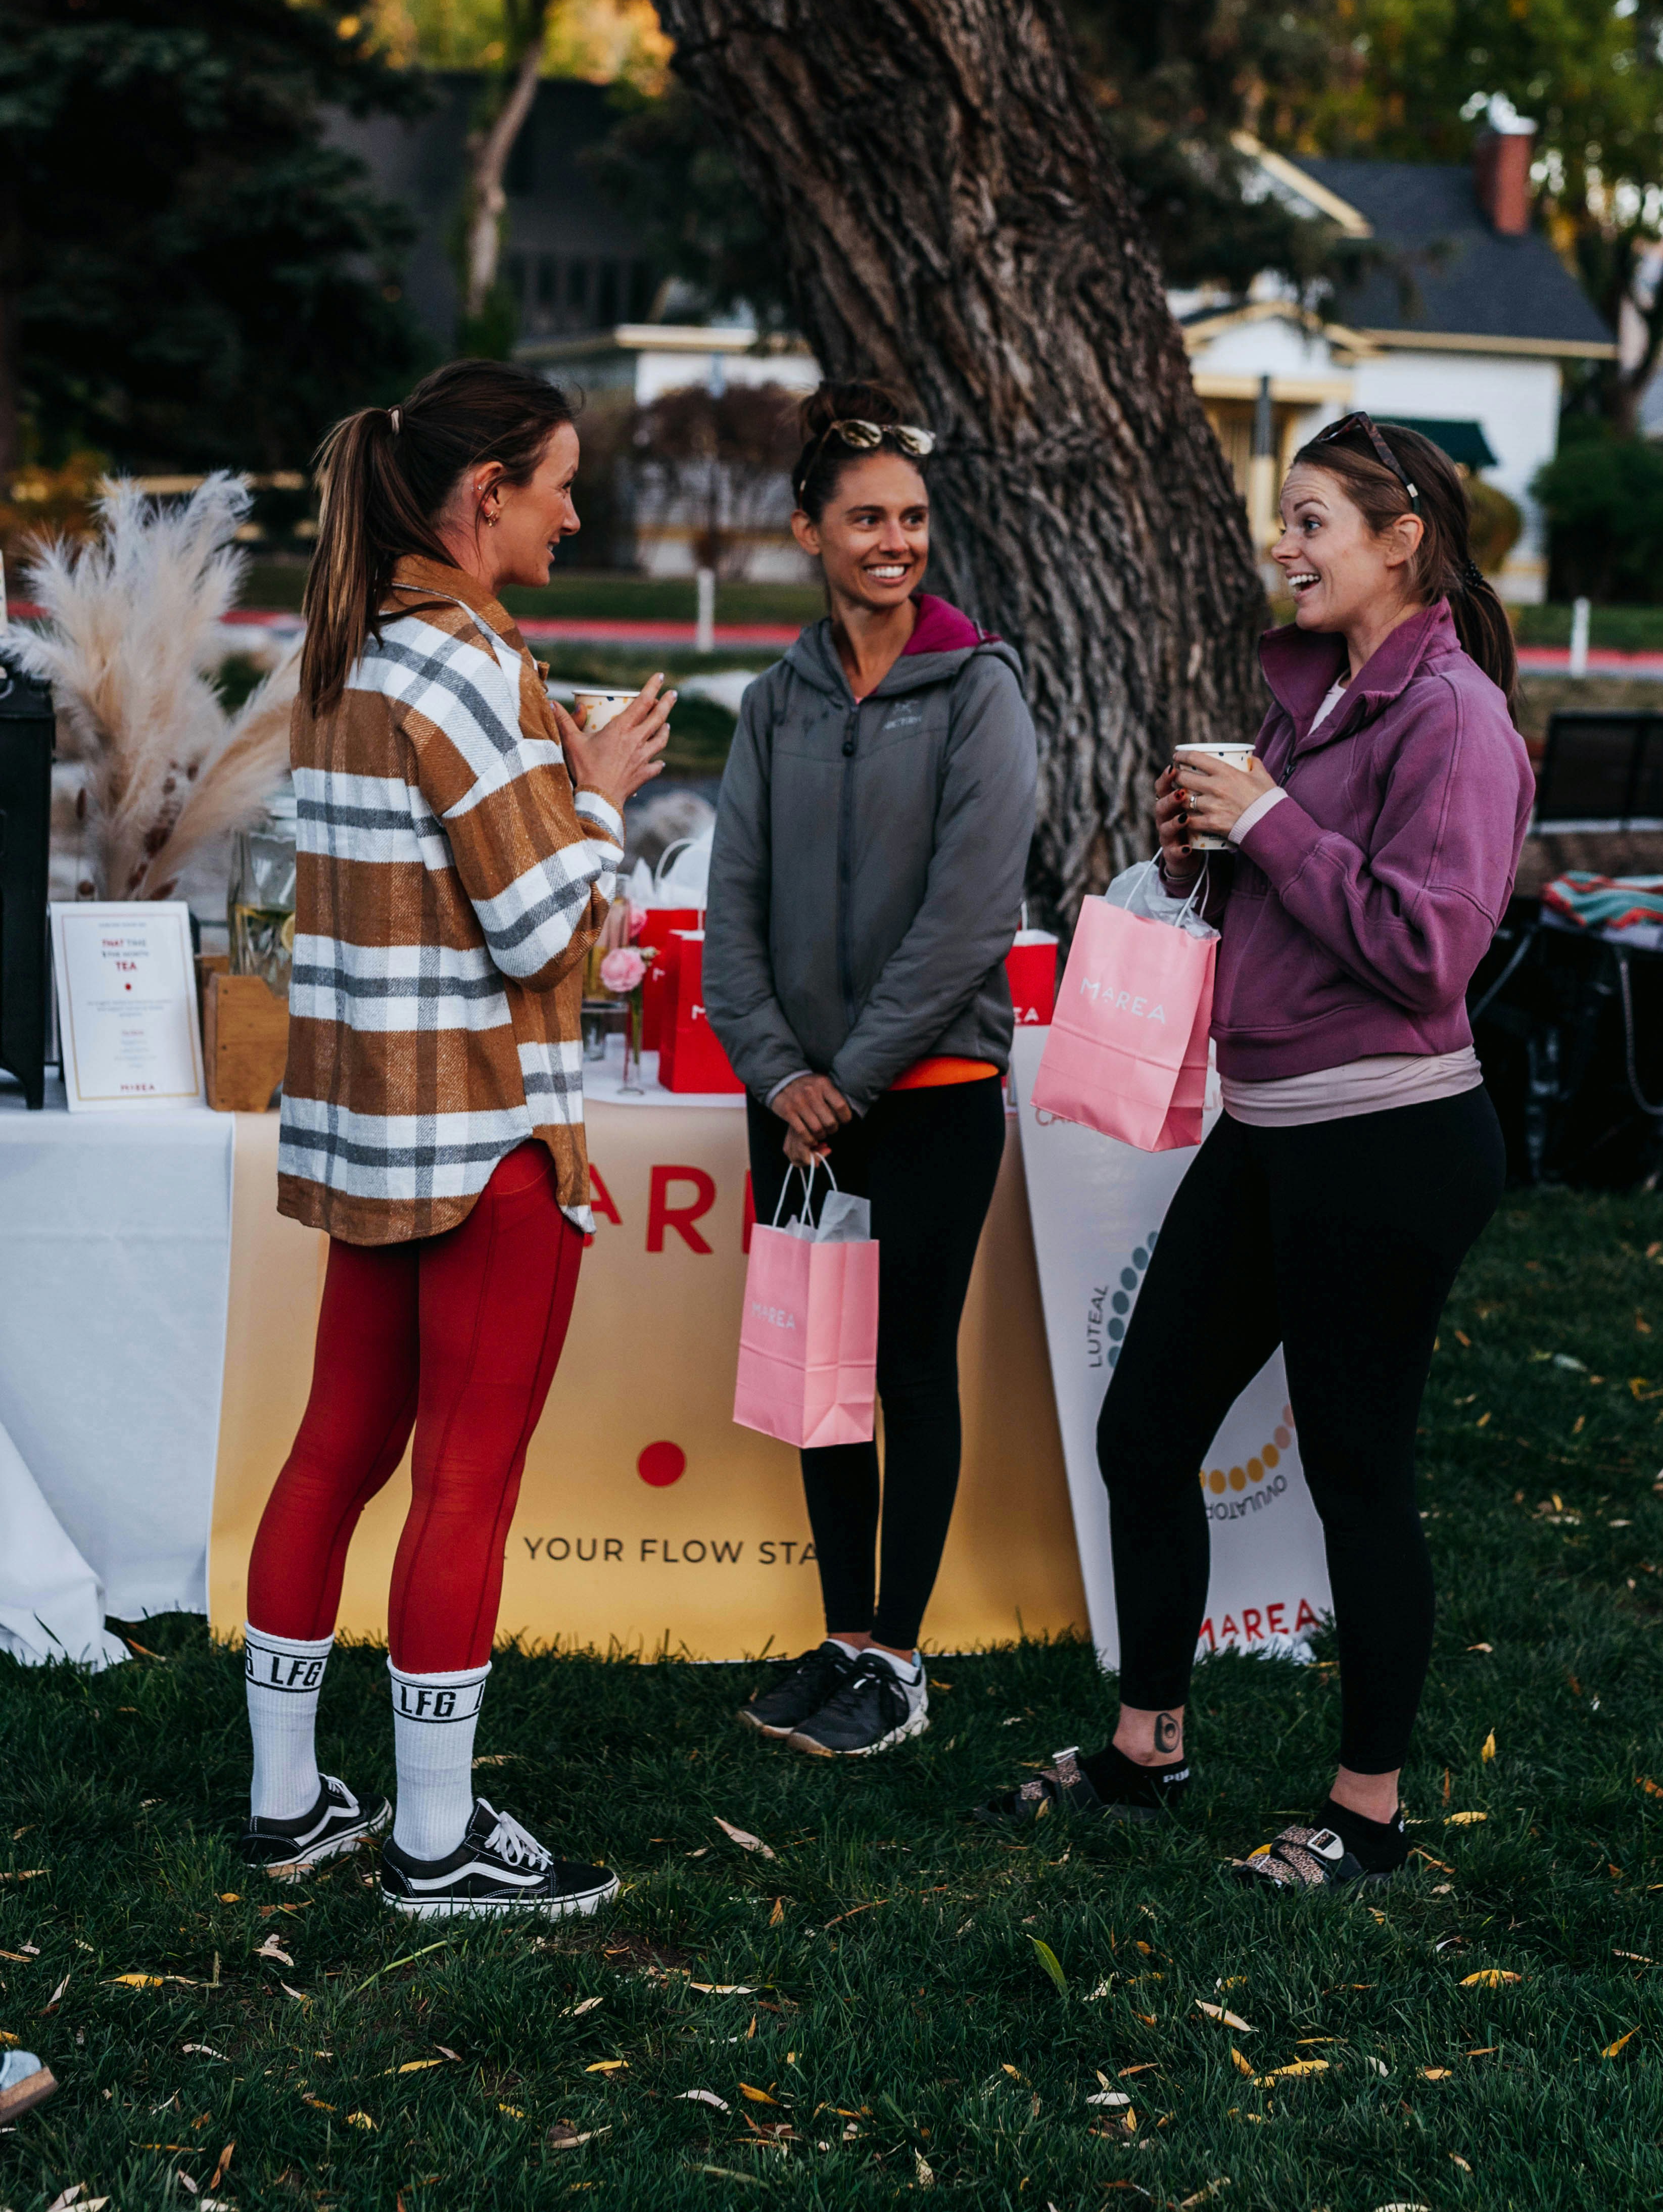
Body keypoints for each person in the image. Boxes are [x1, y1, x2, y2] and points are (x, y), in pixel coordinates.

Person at [981, 416, 1533, 1885]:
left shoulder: (1455, 719)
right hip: (1266, 1130)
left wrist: (1273, 821)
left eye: (1309, 521)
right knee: (1144, 1431)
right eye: (1280, 521)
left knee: (1357, 1468)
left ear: (1399, 535)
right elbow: (1298, 907)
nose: (1281, 546)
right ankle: (1143, 1745)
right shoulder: (1317, 696)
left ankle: (1365, 1812)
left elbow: (1424, 951)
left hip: (1390, 1145)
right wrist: (1204, 859)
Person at [238, 359, 673, 1917]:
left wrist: (554, 770)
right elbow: (542, 922)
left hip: (367, 1134)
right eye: (558, 480)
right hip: (484, 1137)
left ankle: (288, 1803)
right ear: (485, 494)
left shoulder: (347, 657)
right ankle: (434, 1839)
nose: (576, 507)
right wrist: (603, 792)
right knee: (464, 1479)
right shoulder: (465, 667)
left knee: (331, 1452)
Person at [705, 383, 1038, 1759]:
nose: (893, 540)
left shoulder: (979, 688)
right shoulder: (772, 701)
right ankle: (842, 1631)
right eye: (864, 519)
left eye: (909, 517)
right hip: (794, 1109)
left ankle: (898, 1655)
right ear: (810, 531)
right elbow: (731, 908)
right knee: (816, 1366)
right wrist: (782, 1072)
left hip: (932, 1093)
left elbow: (970, 917)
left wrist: (847, 1071)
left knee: (906, 1364)